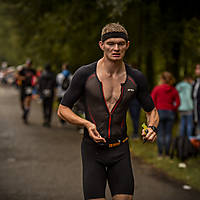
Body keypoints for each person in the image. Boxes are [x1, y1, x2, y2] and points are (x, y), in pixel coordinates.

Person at [58, 23, 159, 200]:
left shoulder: (136, 77)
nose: (116, 48)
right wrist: (86, 123)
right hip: (92, 150)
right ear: (101, 45)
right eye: (111, 43)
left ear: (127, 45)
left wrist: (152, 128)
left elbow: (151, 111)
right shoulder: (85, 74)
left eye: (121, 43)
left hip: (120, 149)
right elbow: (62, 109)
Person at [151, 71, 180, 158]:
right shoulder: (174, 90)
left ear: (162, 79)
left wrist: (155, 109)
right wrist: (172, 108)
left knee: (160, 133)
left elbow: (151, 100)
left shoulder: (157, 89)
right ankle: (167, 153)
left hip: (159, 112)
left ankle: (160, 154)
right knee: (168, 134)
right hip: (170, 113)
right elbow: (178, 103)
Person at [16, 59, 36, 124]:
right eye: (27, 64)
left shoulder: (33, 70)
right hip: (23, 87)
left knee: (28, 101)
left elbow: (36, 77)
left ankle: (26, 114)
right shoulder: (22, 69)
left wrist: (35, 81)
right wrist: (22, 78)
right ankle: (24, 111)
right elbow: (16, 76)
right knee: (22, 103)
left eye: (29, 64)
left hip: (29, 87)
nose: (28, 65)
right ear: (26, 63)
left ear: (31, 64)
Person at [192, 64, 200, 135]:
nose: (196, 70)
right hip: (195, 108)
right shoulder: (195, 81)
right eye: (196, 68)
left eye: (198, 69)